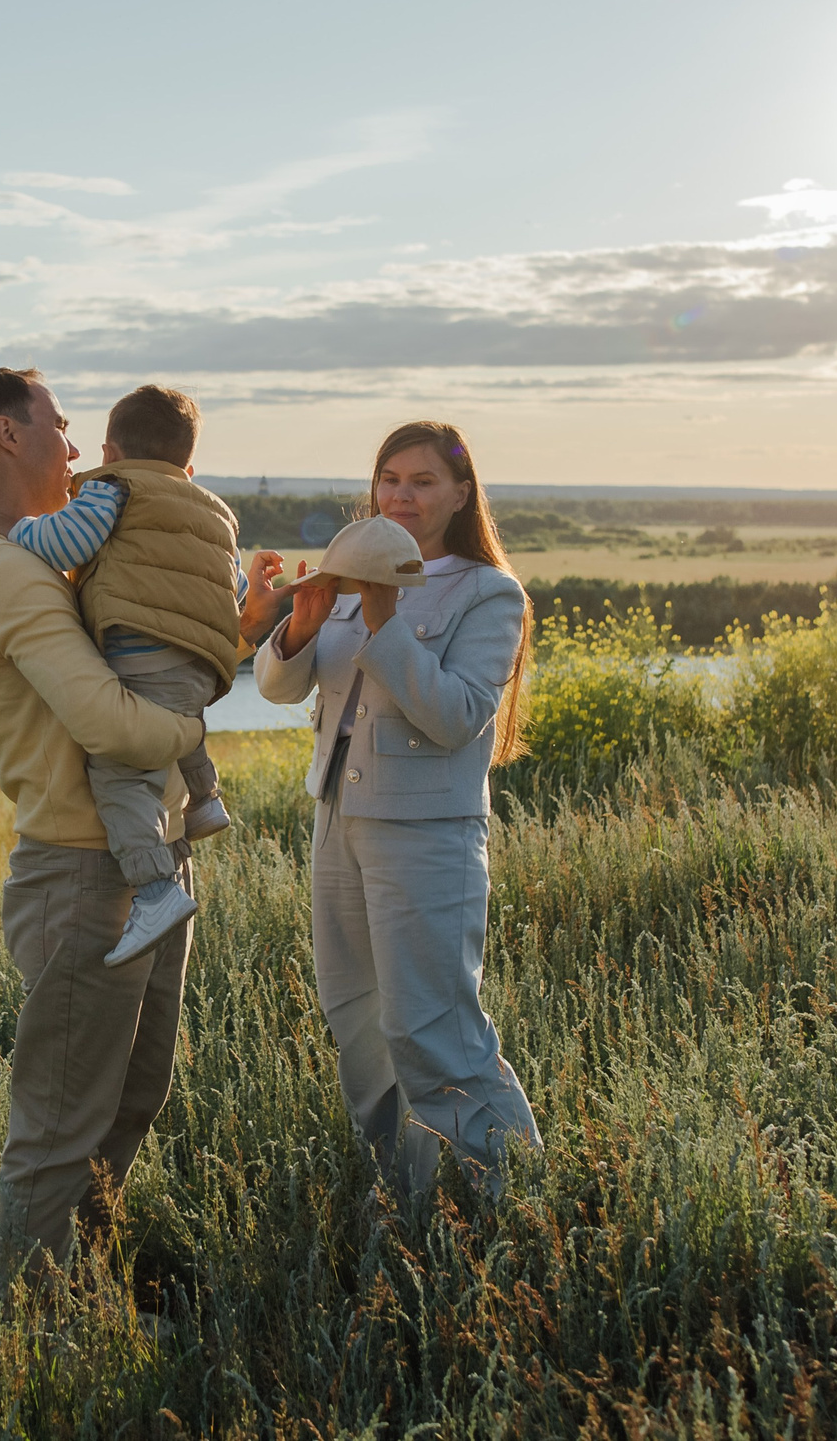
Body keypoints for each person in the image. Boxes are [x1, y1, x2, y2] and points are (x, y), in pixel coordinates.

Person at [0, 366, 274, 1283]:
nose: (78, 448)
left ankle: (87, 1286)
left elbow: (150, 652)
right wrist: (199, 720)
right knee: (58, 1127)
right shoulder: (3, 569)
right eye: (61, 426)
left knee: (132, 1097)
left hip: (149, 856)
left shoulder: (64, 556)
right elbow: (114, 723)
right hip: (82, 874)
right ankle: (40, 1342)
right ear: (9, 436)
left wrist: (241, 629)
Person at [254, 420, 541, 1192]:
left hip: (427, 834)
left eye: (422, 481)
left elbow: (454, 716)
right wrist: (298, 634)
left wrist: (382, 619)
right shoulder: (356, 569)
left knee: (433, 1027)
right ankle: (404, 1197)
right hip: (336, 822)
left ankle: (507, 1193)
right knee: (357, 1021)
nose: (401, 495)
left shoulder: (490, 592)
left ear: (460, 494)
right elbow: (282, 686)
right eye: (389, 478)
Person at [1, 384, 262, 968]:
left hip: (141, 653)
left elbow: (71, 539)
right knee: (180, 716)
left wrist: (17, 533)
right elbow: (233, 588)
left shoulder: (111, 487)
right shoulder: (216, 513)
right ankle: (204, 799)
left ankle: (154, 890)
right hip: (202, 661)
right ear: (187, 466)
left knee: (119, 777)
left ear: (110, 451)